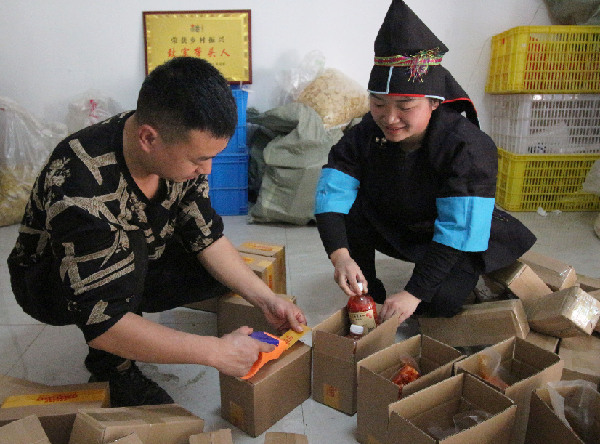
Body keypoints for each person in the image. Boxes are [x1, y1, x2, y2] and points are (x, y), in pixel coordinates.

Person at [7, 57, 306, 407]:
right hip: (50, 283)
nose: (207, 170)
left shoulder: (173, 145)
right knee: (129, 251)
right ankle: (113, 371)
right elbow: (101, 323)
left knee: (215, 273)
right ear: (149, 138)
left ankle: (133, 309)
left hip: (136, 255)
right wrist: (216, 352)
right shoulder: (81, 184)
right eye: (198, 159)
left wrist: (267, 299)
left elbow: (206, 236)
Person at [314, 0, 536, 326]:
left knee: (440, 302)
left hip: (447, 234)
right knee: (349, 205)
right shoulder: (365, 132)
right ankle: (368, 288)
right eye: (378, 103)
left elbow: (458, 227)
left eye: (405, 106)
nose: (389, 118)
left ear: (433, 103)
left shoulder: (467, 146)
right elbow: (332, 192)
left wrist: (414, 292)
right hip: (398, 221)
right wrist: (340, 256)